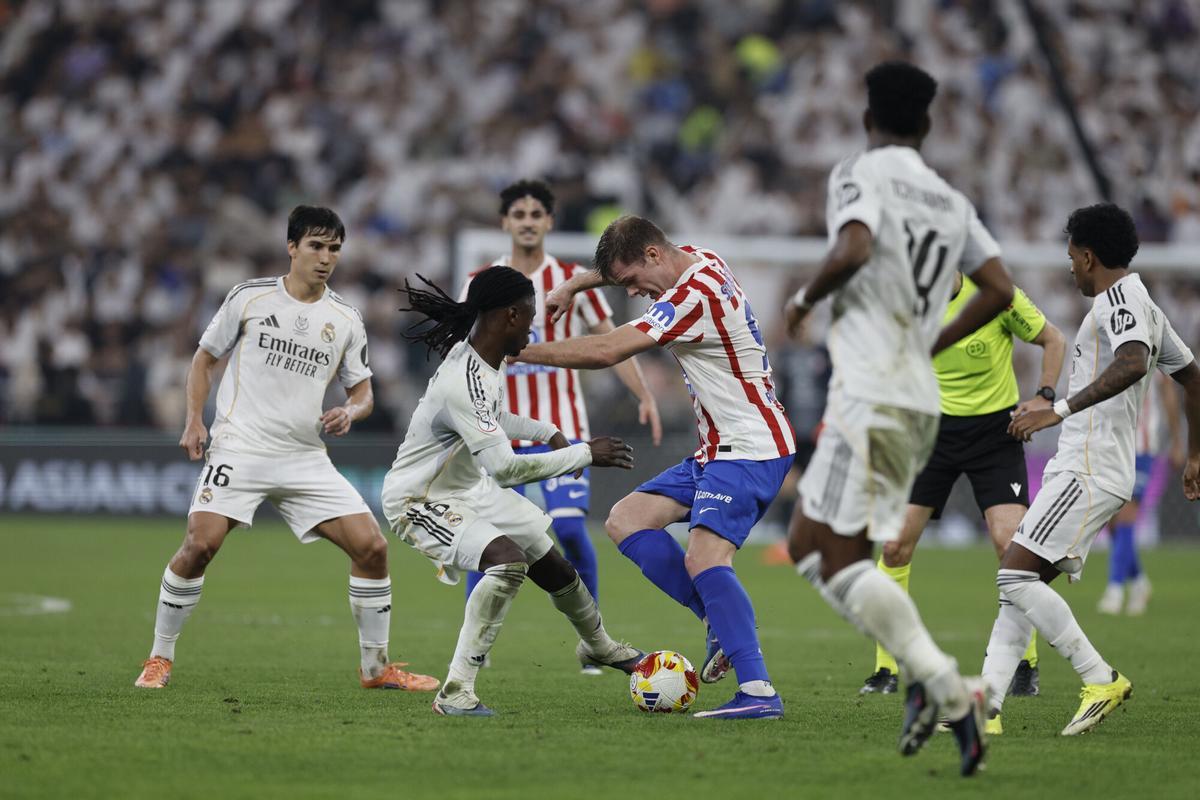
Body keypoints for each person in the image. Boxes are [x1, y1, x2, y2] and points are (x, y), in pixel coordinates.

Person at [782, 62, 1017, 777]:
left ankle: (946, 686)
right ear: (929, 124)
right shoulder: (950, 198)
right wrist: (931, 340)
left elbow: (853, 245)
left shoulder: (861, 172)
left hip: (871, 390)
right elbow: (999, 288)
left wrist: (801, 301)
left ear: (866, 117)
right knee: (831, 548)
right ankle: (934, 684)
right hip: (919, 397)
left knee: (815, 552)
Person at [134, 206, 438, 693]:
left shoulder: (344, 319)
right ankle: (159, 657)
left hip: (303, 456)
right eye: (316, 246)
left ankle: (376, 669)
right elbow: (204, 359)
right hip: (241, 445)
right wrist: (194, 419)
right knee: (201, 545)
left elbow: (363, 393)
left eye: (334, 249)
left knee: (372, 547)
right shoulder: (249, 298)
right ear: (292, 247)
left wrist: (350, 412)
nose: (325, 258)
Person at [517, 215, 796, 720]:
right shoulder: (696, 257)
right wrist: (577, 283)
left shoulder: (694, 295)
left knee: (705, 559)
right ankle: (717, 619)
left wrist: (514, 350)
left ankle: (757, 691)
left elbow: (607, 350)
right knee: (626, 520)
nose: (636, 293)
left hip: (750, 446)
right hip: (718, 447)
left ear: (653, 257)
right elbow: (624, 264)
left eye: (633, 283)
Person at [383, 266, 643, 717]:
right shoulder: (461, 380)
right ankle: (456, 693)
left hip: (468, 489)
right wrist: (583, 453)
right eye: (528, 317)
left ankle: (599, 647)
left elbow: (492, 418)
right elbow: (503, 468)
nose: (532, 327)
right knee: (508, 564)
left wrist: (548, 431)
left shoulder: (483, 360)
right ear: (508, 316)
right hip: (420, 501)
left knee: (555, 568)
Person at [983, 202, 1200, 736]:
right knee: (1020, 584)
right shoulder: (1143, 302)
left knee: (1013, 574)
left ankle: (1098, 676)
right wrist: (1195, 454)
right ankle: (982, 706)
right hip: (1093, 466)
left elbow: (1130, 362)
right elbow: (1193, 378)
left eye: (1072, 258)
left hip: (1087, 466)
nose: (1070, 269)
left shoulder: (1119, 300)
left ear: (1088, 255)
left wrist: (1055, 410)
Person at [461, 181, 662, 676]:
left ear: (549, 222)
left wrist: (643, 394)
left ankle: (594, 642)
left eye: (536, 213)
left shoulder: (571, 279)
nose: (528, 220)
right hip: (499, 428)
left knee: (569, 531)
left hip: (562, 427)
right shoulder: (481, 282)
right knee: (488, 538)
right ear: (505, 222)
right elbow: (463, 351)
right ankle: (476, 647)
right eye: (519, 213)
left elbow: (610, 341)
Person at [857, 272, 1066, 696]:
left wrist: (1044, 395)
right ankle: (885, 668)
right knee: (895, 545)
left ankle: (1025, 662)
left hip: (995, 435)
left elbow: (1054, 339)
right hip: (932, 433)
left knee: (1010, 545)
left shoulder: (997, 295)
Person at [1095, 372, 1185, 615]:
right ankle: (1139, 582)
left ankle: (1115, 589)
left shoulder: (1154, 349)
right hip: (1110, 447)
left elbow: (1168, 395)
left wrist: (1177, 441)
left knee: (1127, 514)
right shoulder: (1109, 349)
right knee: (1112, 524)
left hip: (1141, 447)